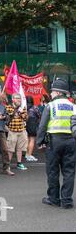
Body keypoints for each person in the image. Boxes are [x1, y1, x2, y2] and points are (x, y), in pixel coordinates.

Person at [37, 78, 76, 209]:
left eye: (53, 91)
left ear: (59, 93)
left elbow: (42, 126)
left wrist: (40, 141)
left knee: (53, 171)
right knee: (69, 171)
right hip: (71, 141)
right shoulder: (73, 106)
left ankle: (54, 199)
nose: (51, 94)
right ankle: (67, 201)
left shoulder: (51, 106)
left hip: (54, 142)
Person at [5, 93, 29, 171]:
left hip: (21, 130)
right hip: (12, 131)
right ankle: (7, 165)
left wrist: (21, 112)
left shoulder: (23, 107)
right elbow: (10, 113)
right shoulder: (8, 107)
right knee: (10, 149)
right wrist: (17, 110)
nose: (19, 99)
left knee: (20, 148)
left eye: (19, 98)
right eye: (17, 98)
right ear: (13, 99)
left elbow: (25, 117)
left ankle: (19, 163)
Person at [25, 96, 40, 162]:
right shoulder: (34, 107)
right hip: (33, 124)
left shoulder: (24, 107)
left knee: (27, 139)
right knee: (32, 139)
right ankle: (29, 155)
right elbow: (39, 115)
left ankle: (26, 154)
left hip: (25, 124)